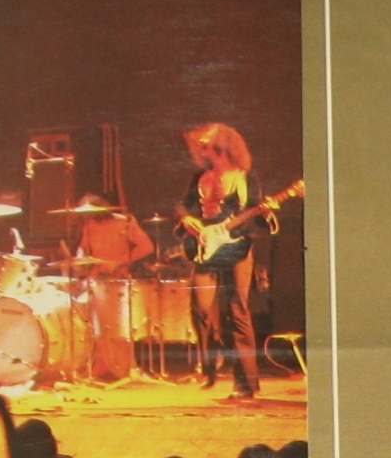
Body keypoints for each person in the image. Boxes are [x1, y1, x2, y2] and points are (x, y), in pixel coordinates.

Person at [173, 123, 271, 400]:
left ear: (223, 146)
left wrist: (267, 212)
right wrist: (187, 219)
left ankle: (246, 384)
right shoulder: (200, 177)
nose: (201, 150)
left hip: (236, 248)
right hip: (206, 247)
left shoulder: (246, 178)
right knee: (201, 309)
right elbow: (182, 205)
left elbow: (257, 215)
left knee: (237, 311)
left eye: (206, 145)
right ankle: (210, 368)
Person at [62, 192, 156, 381]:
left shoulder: (124, 222)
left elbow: (147, 247)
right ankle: (101, 365)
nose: (86, 217)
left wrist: (118, 261)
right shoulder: (89, 225)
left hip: (118, 278)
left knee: (119, 326)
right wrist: (78, 261)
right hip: (96, 279)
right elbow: (84, 248)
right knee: (95, 324)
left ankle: (123, 367)